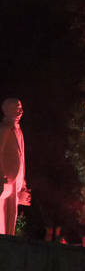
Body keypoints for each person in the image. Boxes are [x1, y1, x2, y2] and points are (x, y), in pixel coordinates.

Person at [0, 98, 31, 235]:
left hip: (15, 183)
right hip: (5, 180)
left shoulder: (19, 132)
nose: (20, 111)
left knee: (12, 218)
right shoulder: (4, 130)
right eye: (17, 108)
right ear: (7, 111)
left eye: (20, 108)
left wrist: (23, 184)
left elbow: (22, 158)